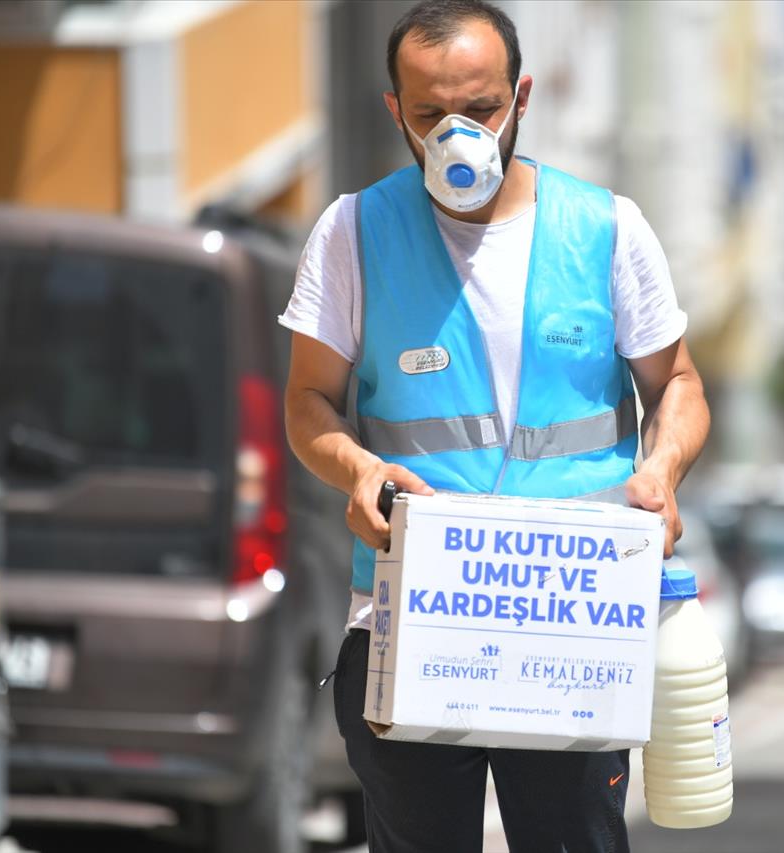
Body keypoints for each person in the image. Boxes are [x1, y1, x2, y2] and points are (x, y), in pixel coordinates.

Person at [280, 1, 710, 849]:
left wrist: (662, 470)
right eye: (432, 113)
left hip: (573, 627)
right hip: (412, 627)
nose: (457, 134)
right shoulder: (353, 233)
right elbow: (307, 403)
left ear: (522, 97)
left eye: (478, 110)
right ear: (394, 110)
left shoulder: (606, 229)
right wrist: (357, 470)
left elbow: (680, 384)